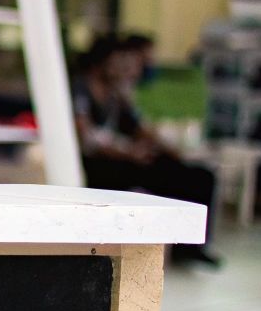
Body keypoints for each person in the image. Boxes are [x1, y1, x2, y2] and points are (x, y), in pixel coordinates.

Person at [73, 35, 221, 266]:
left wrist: (170, 150)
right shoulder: (80, 88)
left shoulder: (116, 94)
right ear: (101, 61)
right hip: (98, 164)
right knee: (166, 174)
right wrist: (129, 152)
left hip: (123, 159)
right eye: (117, 62)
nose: (123, 69)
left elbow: (138, 128)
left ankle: (191, 245)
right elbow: (88, 138)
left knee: (199, 176)